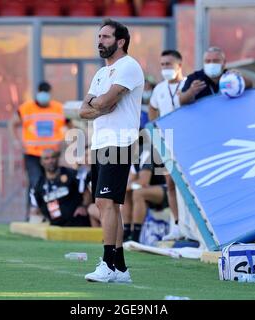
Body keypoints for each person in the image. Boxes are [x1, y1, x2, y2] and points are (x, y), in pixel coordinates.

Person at [79, 19, 144, 283]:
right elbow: (84, 110)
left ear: (120, 41)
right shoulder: (100, 73)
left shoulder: (128, 66)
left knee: (107, 202)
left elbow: (105, 101)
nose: (100, 41)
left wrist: (99, 103)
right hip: (100, 142)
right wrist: (100, 105)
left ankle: (107, 263)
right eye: (99, 37)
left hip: (120, 142)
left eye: (105, 37)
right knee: (107, 203)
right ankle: (120, 268)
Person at [9, 81, 67, 220]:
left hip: (52, 154)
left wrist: (66, 140)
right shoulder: (26, 108)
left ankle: (51, 215)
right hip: (33, 154)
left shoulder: (58, 108)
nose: (44, 95)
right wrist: (15, 141)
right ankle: (32, 215)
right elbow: (12, 123)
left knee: (52, 184)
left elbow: (69, 125)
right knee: (35, 183)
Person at [148, 49, 186, 241]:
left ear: (179, 65)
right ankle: (177, 224)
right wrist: (156, 130)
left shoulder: (188, 84)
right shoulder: (159, 89)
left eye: (168, 64)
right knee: (170, 184)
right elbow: (152, 109)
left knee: (186, 185)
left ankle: (192, 225)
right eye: (162, 65)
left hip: (186, 141)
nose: (165, 68)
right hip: (166, 142)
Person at [29, 148, 91, 226]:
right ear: (41, 162)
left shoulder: (71, 174)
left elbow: (86, 192)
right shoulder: (38, 185)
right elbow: (37, 208)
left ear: (57, 159)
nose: (50, 161)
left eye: (53, 157)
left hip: (77, 222)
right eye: (46, 158)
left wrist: (83, 207)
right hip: (56, 226)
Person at [123, 138, 168, 242]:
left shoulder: (146, 151)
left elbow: (143, 182)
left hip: (167, 190)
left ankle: (135, 235)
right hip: (153, 190)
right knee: (125, 193)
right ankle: (126, 231)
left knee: (138, 193)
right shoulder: (133, 156)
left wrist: (124, 187)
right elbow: (131, 180)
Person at [179, 46, 252, 105]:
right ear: (203, 63)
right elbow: (181, 101)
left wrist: (240, 78)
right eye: (208, 61)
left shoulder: (230, 76)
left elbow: (250, 84)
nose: (211, 64)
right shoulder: (194, 78)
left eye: (215, 61)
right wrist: (191, 91)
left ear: (224, 63)